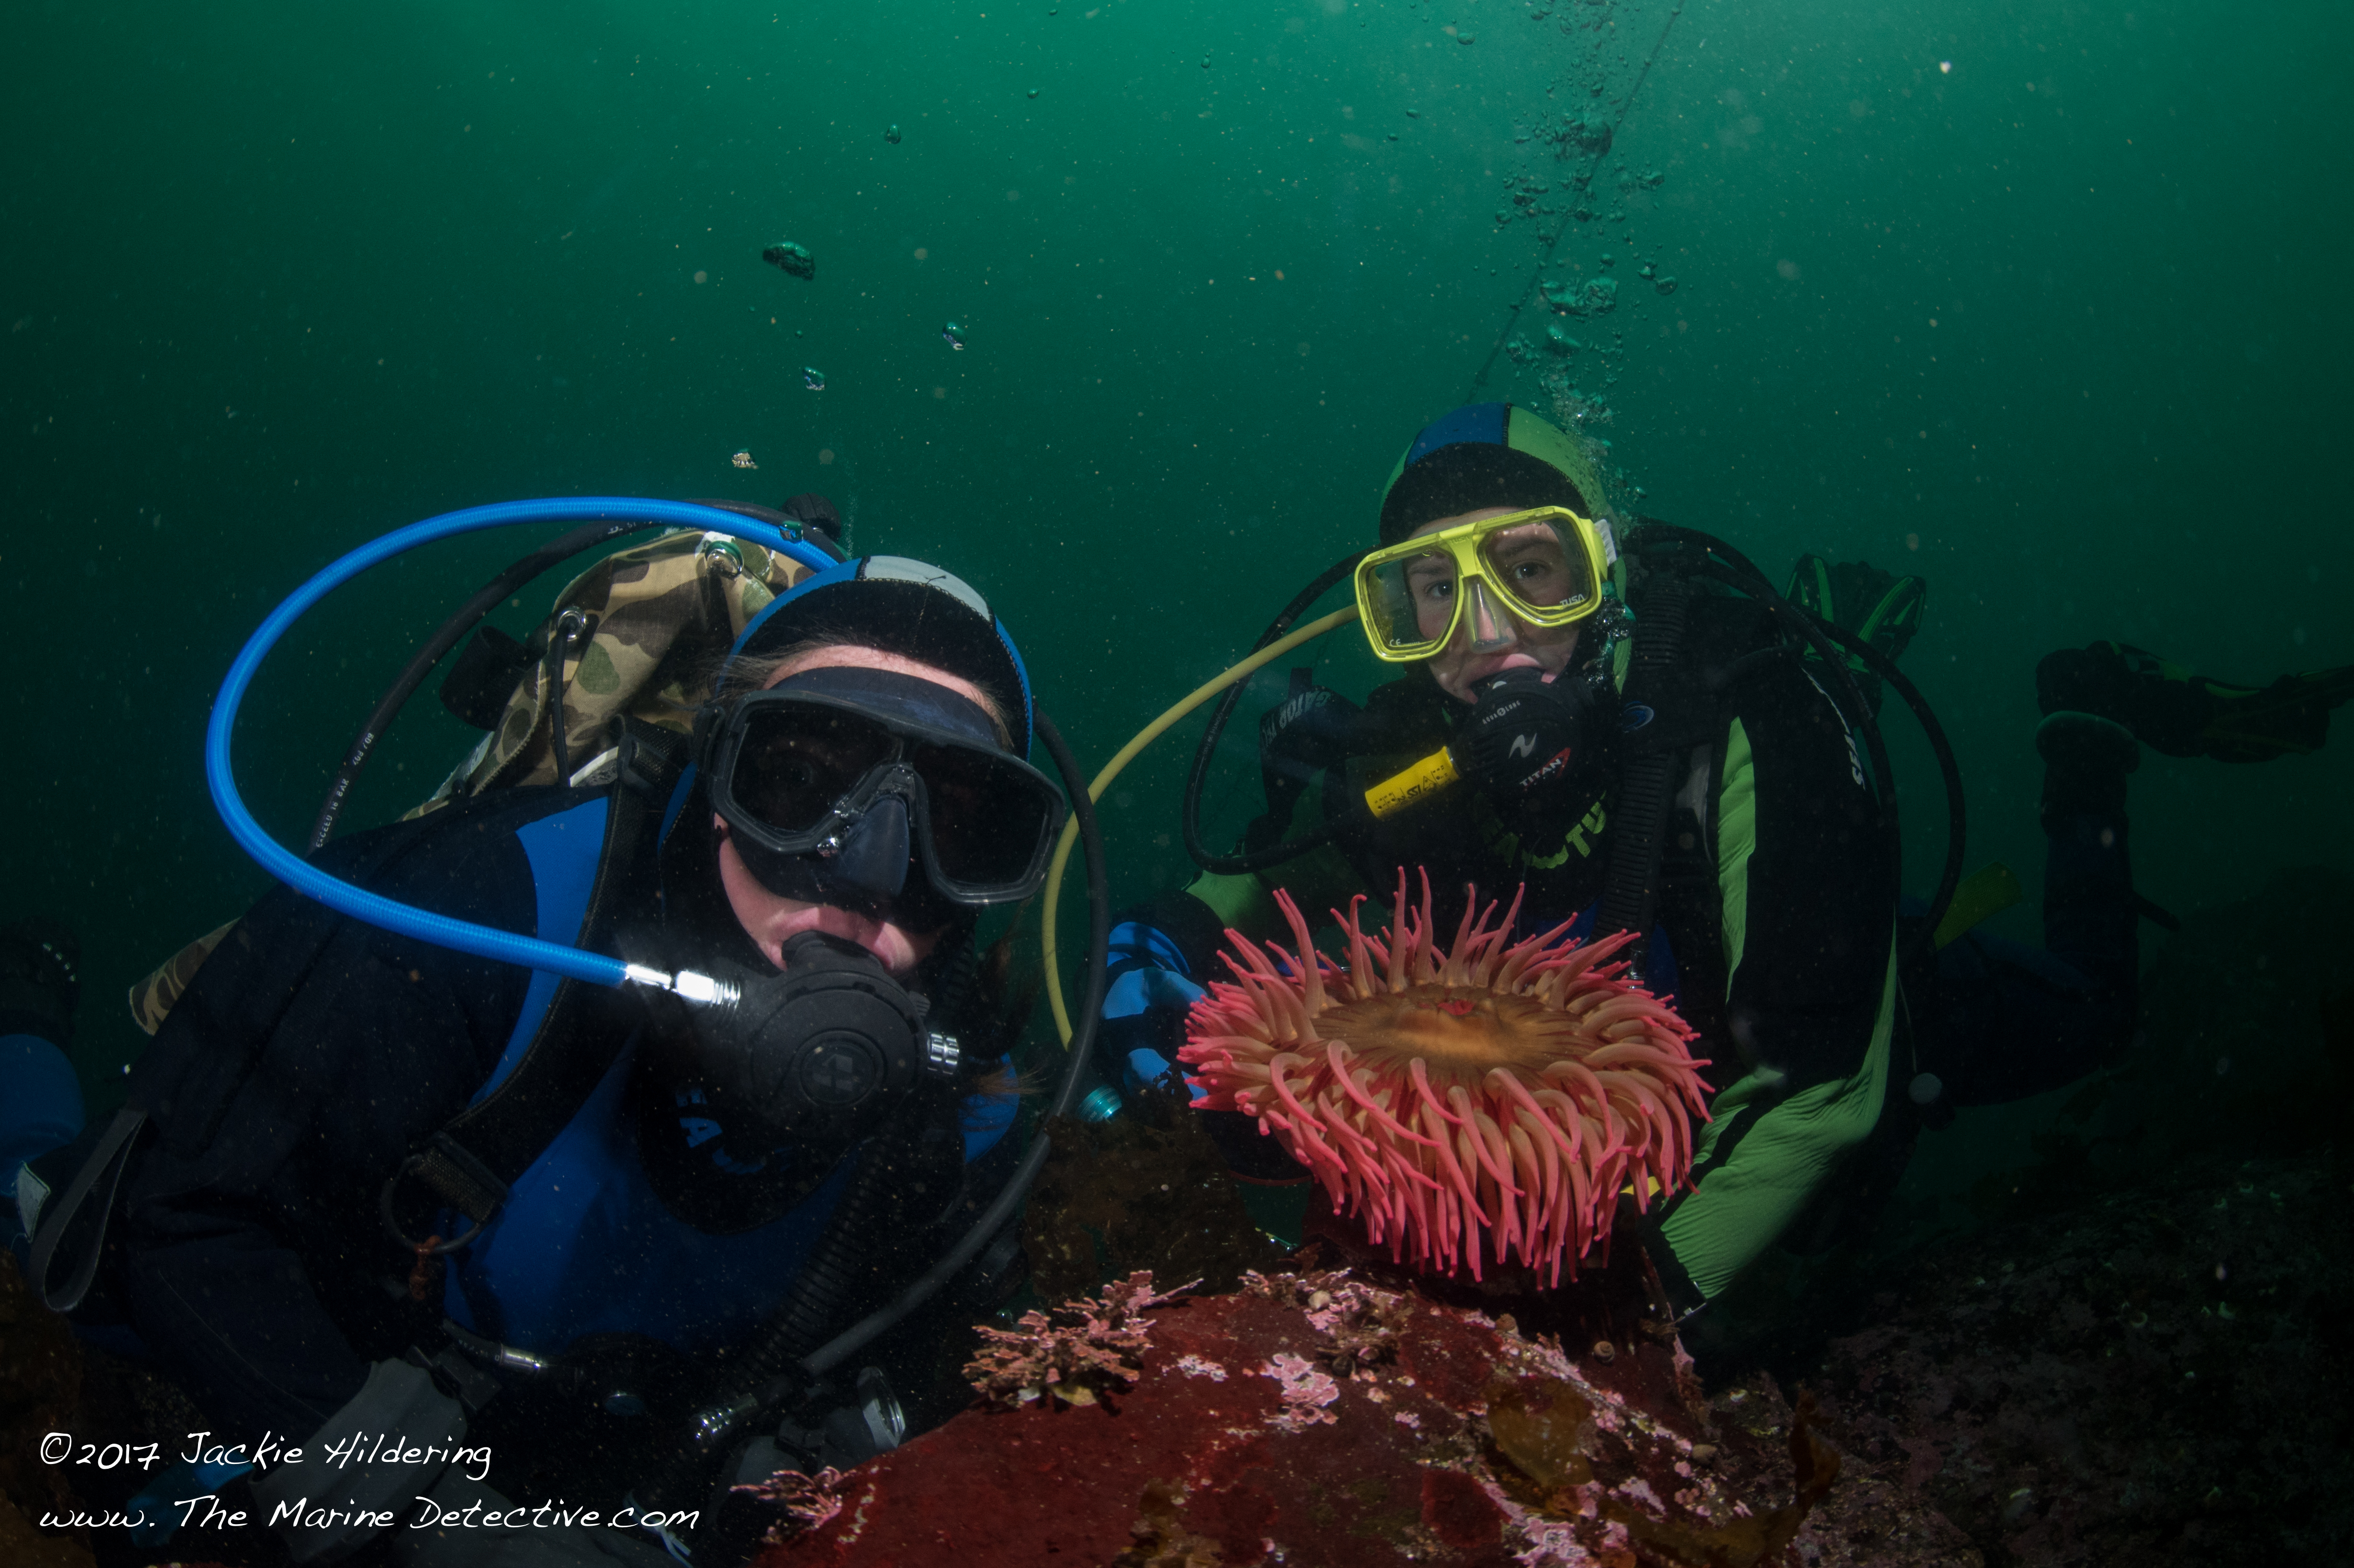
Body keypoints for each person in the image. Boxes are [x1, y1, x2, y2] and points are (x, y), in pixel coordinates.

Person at [1097, 401, 2352, 1319]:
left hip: (1838, 991)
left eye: (1533, 571)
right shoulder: (1407, 760)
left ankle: (2081, 734)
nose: (1487, 636)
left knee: (2095, 1019)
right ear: (1392, 620)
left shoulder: (1747, 710)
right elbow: (1229, 905)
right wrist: (1145, 958)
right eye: (1428, 593)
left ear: (1607, 575)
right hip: (1602, 1085)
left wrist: (1627, 1315)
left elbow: (1823, 1092)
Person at [24, 552, 1065, 1566]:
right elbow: (178, 1214)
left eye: (961, 833)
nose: (874, 876)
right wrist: (423, 1518)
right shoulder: (480, 913)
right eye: (796, 783)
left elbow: (930, 1362)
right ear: (713, 776)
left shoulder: (958, 1109)